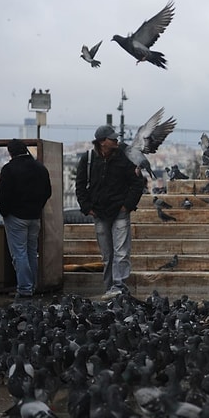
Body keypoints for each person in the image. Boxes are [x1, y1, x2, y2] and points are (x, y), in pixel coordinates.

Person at [75, 125, 146, 299]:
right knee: (107, 254)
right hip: (99, 213)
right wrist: (87, 208)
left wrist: (127, 206)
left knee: (121, 252)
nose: (116, 140)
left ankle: (118, 286)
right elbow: (80, 185)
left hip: (119, 211)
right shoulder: (89, 158)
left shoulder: (124, 158)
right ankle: (110, 288)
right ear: (102, 142)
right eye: (112, 138)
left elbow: (137, 183)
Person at [0, 139, 52, 298]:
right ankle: (32, 286)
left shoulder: (9, 169)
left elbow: (3, 195)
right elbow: (47, 192)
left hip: (15, 217)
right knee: (31, 252)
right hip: (34, 217)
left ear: (10, 152)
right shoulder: (40, 168)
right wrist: (37, 207)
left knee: (19, 254)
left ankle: (25, 289)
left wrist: (5, 211)